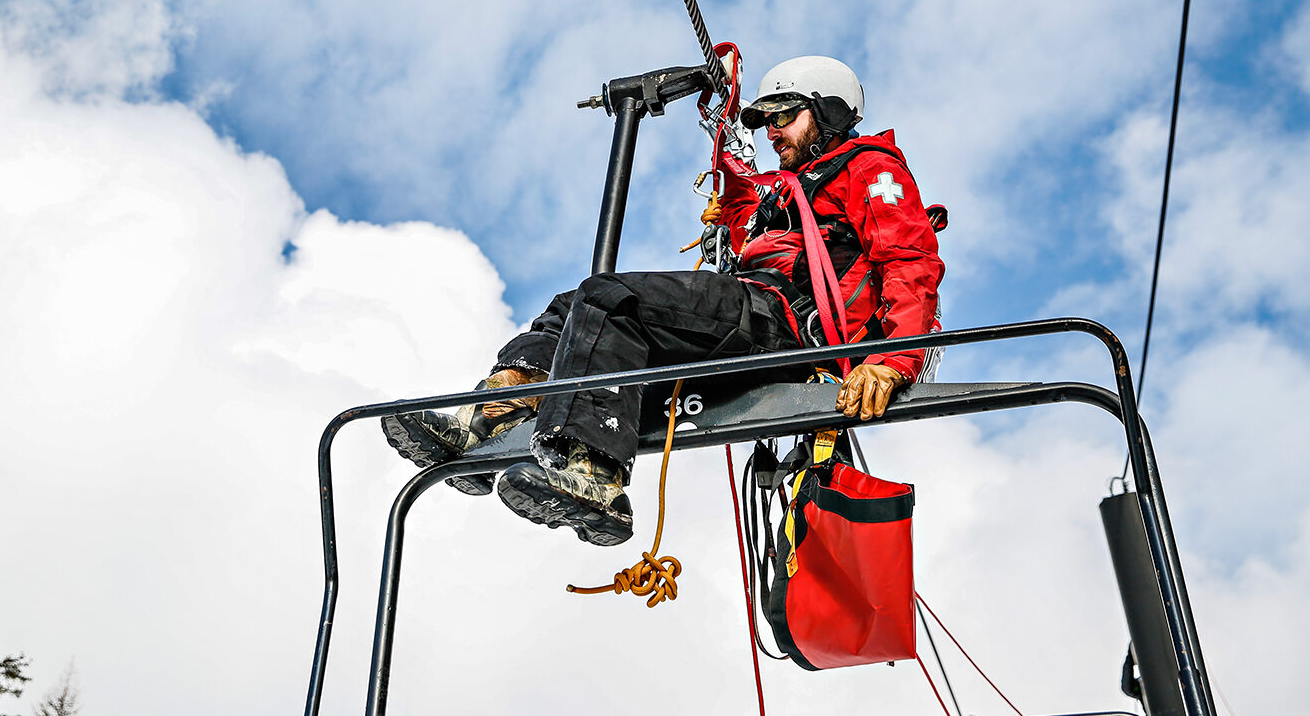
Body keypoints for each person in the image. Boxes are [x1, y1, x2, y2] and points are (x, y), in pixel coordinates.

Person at [383, 56, 944, 546]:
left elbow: (908, 261)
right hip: (757, 304)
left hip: (790, 320)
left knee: (613, 299)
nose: (772, 130)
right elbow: (745, 195)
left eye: (785, 115)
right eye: (765, 119)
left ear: (831, 111)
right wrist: (721, 117)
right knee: (576, 305)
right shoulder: (791, 189)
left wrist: (892, 362)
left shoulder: (870, 169)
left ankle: (594, 471)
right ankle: (493, 415)